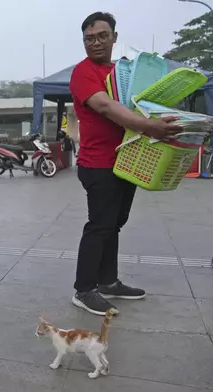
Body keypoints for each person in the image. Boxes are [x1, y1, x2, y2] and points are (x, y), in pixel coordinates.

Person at [69, 12, 182, 316]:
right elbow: (106, 106)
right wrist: (150, 128)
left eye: (102, 36)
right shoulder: (83, 73)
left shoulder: (121, 72)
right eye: (89, 38)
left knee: (114, 225)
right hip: (97, 163)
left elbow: (142, 102)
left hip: (126, 160)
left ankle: (107, 281)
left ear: (114, 38)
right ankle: (84, 288)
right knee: (100, 225)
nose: (95, 43)